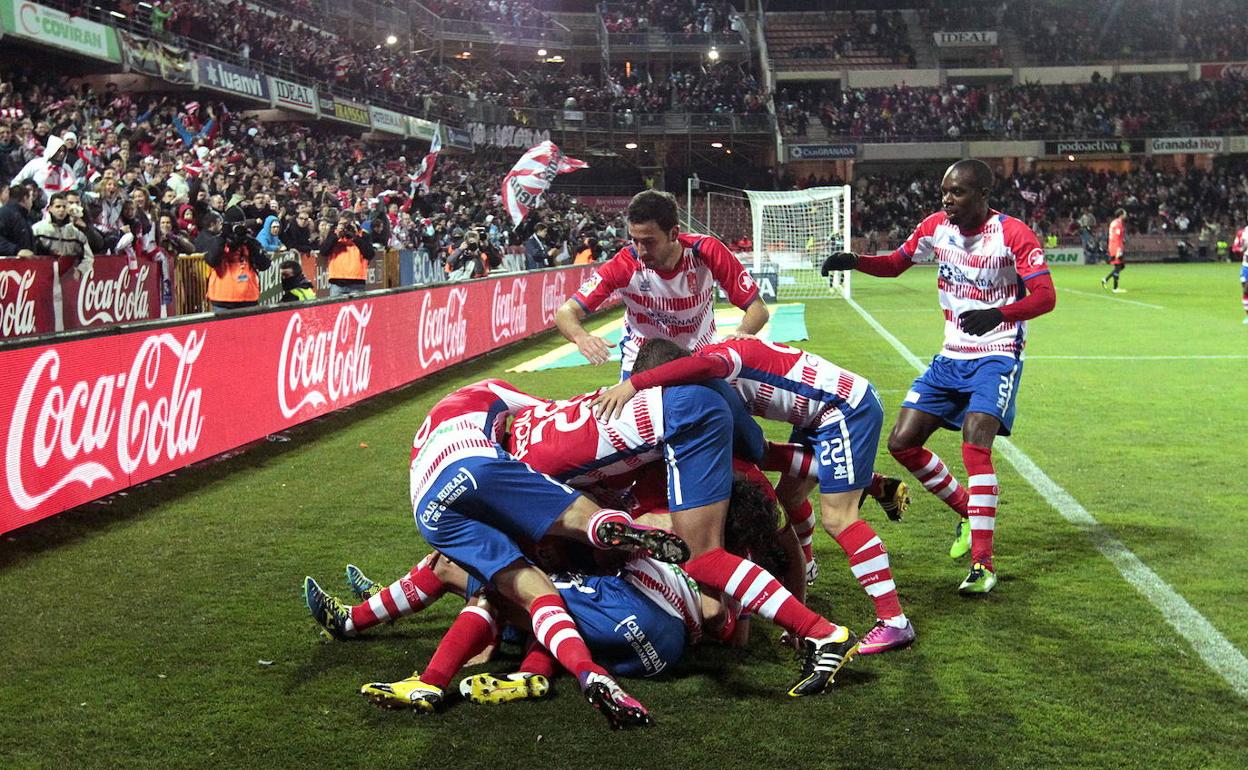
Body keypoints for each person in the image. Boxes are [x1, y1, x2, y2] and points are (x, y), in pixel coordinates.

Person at [305, 379, 688, 728]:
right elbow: (548, 411)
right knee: (560, 553)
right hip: (660, 630)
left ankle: (404, 658)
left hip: (427, 500)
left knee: (472, 578)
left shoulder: (448, 420)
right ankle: (559, 660)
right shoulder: (495, 397)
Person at [506, 381, 860, 696]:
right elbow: (721, 613)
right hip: (668, 635)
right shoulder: (731, 479)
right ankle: (816, 629)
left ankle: (820, 631)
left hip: (643, 577)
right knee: (702, 566)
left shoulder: (539, 460)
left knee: (520, 587)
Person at [819, 158, 1056, 594]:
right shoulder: (935, 227)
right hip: (950, 357)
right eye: (945, 191)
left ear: (983, 194)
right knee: (902, 443)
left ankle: (983, 564)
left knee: (975, 443)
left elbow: (1045, 296)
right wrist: (855, 260)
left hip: (997, 354)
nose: (948, 199)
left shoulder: (1013, 234)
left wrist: (999, 314)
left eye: (958, 192)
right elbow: (895, 263)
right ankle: (968, 511)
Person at [593, 337, 915, 654]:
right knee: (790, 497)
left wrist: (633, 384)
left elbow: (757, 447)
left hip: (841, 411)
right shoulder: (712, 369)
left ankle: (893, 621)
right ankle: (856, 495)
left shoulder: (713, 369)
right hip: (820, 414)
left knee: (839, 519)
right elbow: (760, 449)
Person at [554, 189, 770, 378]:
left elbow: (757, 308)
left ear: (674, 233)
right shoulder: (623, 264)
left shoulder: (707, 251)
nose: (640, 251)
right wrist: (581, 337)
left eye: (649, 242)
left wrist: (741, 333)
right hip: (642, 361)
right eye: (634, 240)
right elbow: (566, 312)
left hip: (699, 354)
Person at [201, 209, 270, 312]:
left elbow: (264, 264)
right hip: (223, 299)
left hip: (248, 298)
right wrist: (223, 236)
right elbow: (212, 261)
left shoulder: (250, 242)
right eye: (234, 224)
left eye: (241, 224)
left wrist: (248, 241)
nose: (237, 227)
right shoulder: (217, 240)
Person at [32, 191, 94, 276]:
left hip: (65, 280)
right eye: (58, 206)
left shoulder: (75, 233)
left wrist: (80, 270)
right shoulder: (37, 229)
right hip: (40, 276)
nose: (61, 210)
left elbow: (88, 256)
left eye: (64, 207)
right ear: (50, 208)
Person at [320, 213, 374, 297]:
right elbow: (324, 252)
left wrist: (355, 237)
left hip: (357, 282)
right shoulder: (334, 234)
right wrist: (336, 235)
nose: (346, 227)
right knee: (336, 305)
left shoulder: (363, 235)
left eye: (347, 224)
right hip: (337, 281)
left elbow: (370, 254)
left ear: (353, 222)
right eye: (342, 224)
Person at [0, 184, 34, 256]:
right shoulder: (4, 213)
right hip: (8, 262)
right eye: (31, 199)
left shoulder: (24, 217)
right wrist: (16, 250)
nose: (32, 204)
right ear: (25, 198)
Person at [1103, 208, 1127, 293]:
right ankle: (1115, 288)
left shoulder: (1113, 222)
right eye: (1124, 214)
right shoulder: (1118, 224)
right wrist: (1118, 249)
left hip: (1112, 245)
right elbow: (1116, 237)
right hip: (1116, 247)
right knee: (1118, 266)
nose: (1125, 215)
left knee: (1121, 266)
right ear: (1121, 215)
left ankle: (1106, 279)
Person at [1234, 223, 1248, 324]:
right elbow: (1235, 247)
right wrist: (1241, 249)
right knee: (1245, 291)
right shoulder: (1242, 232)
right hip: (1246, 266)